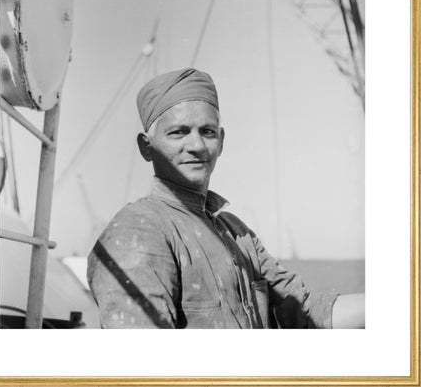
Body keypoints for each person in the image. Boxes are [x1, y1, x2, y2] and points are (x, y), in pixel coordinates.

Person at [87, 68, 364, 329]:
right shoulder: (140, 230)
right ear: (146, 147)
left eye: (207, 132)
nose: (196, 146)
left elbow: (305, 311)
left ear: (221, 141)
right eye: (178, 132)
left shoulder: (236, 233)